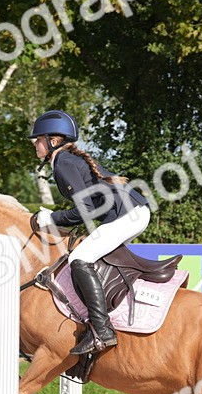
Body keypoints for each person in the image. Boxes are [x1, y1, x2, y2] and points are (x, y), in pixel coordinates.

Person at [30, 110, 151, 355]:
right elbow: (92, 207)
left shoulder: (63, 163)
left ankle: (102, 331)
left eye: (38, 139)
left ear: (53, 141)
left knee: (79, 259)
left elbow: (84, 211)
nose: (35, 143)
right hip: (132, 211)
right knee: (93, 257)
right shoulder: (66, 160)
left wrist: (51, 217)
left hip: (128, 214)